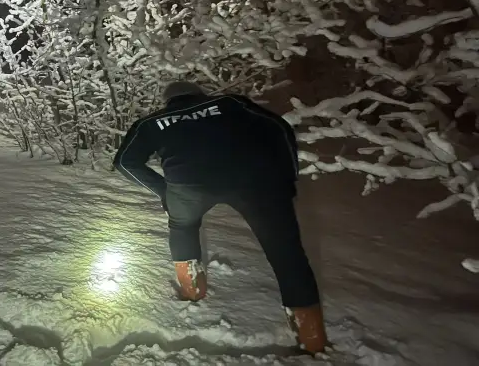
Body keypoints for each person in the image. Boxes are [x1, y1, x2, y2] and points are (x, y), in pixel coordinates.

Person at [112, 81, 328, 354]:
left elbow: (124, 162)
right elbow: (278, 128)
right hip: (254, 183)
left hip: (188, 187)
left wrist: (163, 191)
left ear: (167, 102)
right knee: (286, 252)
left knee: (182, 226)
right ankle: (311, 338)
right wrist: (286, 175)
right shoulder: (230, 103)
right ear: (200, 94)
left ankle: (192, 289)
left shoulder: (152, 122)